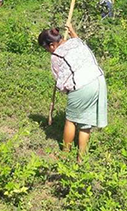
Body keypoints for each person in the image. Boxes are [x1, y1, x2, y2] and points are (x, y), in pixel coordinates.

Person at [38, 24, 108, 162]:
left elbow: (60, 81)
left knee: (71, 120)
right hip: (98, 81)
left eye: (45, 48)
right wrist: (73, 32)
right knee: (86, 123)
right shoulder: (75, 41)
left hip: (82, 85)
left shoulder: (56, 56)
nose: (47, 51)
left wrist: (65, 90)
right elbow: (79, 41)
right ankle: (81, 158)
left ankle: (65, 154)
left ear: (52, 45)